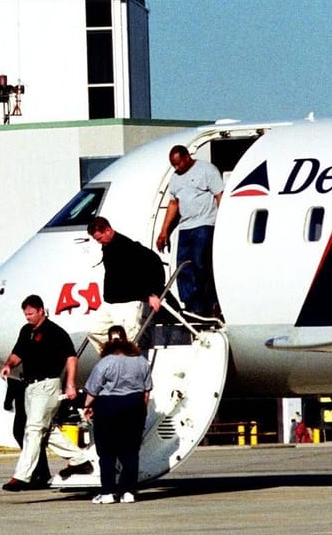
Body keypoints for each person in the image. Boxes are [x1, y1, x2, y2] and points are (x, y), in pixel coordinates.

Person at [0, 294, 93, 491]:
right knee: (46, 431)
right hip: (30, 386)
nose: (28, 318)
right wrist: (9, 365)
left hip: (48, 384)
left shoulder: (55, 332)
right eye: (26, 314)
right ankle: (79, 459)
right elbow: (18, 353)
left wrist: (70, 384)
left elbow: (71, 357)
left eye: (31, 314)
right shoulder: (26, 331)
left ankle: (22, 475)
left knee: (33, 429)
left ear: (41, 310)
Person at [82, 326, 152, 504]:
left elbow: (93, 390)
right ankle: (128, 491)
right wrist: (140, 411)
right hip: (134, 406)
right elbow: (146, 392)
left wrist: (87, 406)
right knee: (130, 452)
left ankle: (107, 492)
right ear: (126, 339)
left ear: (108, 341)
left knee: (107, 452)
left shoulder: (104, 363)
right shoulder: (141, 361)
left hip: (108, 406)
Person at [155, 144, 225, 320]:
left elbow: (219, 195)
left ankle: (211, 303)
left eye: (178, 163)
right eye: (174, 165)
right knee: (184, 267)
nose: (177, 168)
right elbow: (173, 204)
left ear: (187, 157)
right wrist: (164, 231)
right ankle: (192, 305)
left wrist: (222, 222)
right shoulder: (175, 178)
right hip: (185, 226)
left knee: (201, 263)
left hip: (204, 223)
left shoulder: (206, 170)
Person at [86, 216, 165, 352]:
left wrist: (151, 294)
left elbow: (153, 263)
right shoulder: (107, 247)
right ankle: (114, 356)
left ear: (108, 231)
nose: (99, 242)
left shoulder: (127, 247)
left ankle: (130, 363)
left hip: (129, 302)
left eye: (99, 238)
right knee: (94, 331)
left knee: (130, 338)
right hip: (112, 302)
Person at [4, 375, 51, 487]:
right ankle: (40, 473)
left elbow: (13, 382)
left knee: (27, 436)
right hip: (27, 401)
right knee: (31, 437)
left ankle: (38, 474)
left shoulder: (18, 366)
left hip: (26, 402)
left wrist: (8, 400)